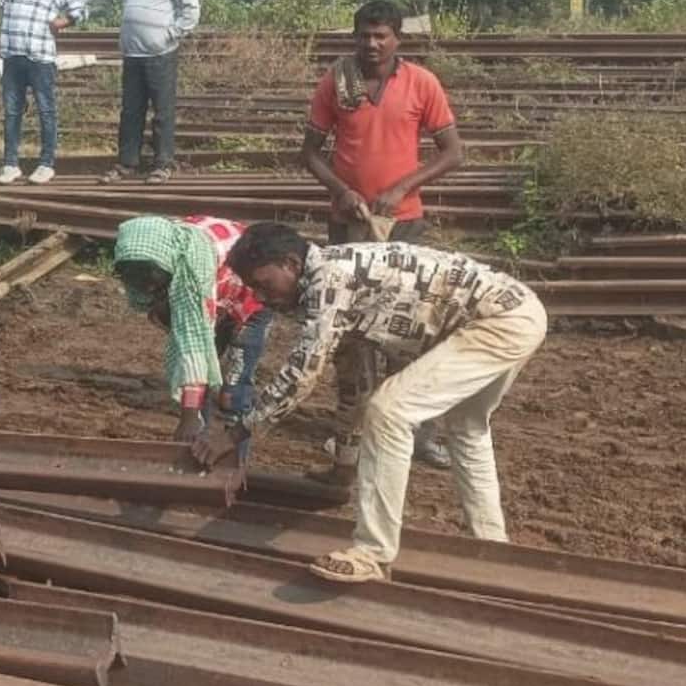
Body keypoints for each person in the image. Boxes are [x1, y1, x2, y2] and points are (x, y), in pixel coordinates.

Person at [193, 222, 547, 584]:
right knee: (466, 429)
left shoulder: (331, 282)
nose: (261, 298)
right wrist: (345, 465)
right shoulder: (341, 285)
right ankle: (494, 547)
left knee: (390, 411)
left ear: (290, 264)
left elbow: (300, 376)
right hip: (518, 312)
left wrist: (235, 432)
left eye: (263, 284)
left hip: (500, 321)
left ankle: (373, 553)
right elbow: (354, 384)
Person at [304, 0, 466, 475]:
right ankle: (353, 429)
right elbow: (310, 153)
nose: (372, 44)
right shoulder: (338, 81)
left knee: (411, 325)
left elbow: (453, 152)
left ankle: (419, 431)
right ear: (354, 36)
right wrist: (341, 190)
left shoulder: (421, 82)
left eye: (382, 35)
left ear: (398, 38)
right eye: (364, 35)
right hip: (349, 224)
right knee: (351, 329)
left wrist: (401, 187)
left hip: (405, 222)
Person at [112, 215, 272, 453]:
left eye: (150, 280)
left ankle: (235, 463)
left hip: (250, 301)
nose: (145, 286)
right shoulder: (145, 255)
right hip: (214, 296)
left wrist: (187, 419)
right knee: (200, 384)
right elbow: (186, 340)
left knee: (233, 393)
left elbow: (194, 345)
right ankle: (198, 445)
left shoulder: (193, 269)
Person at [0, 0, 87, 185]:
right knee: (11, 112)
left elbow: (81, 10)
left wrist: (64, 21)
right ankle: (10, 163)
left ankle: (46, 163)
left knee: (46, 110)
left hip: (41, 58)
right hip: (12, 56)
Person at [103, 0, 200, 186]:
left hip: (160, 54)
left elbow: (191, 12)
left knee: (162, 112)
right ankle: (127, 163)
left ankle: (162, 164)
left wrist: (168, 34)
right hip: (133, 55)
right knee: (131, 111)